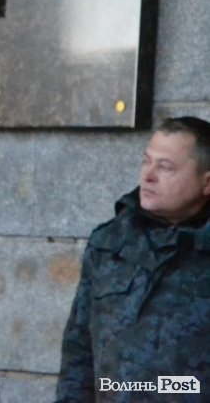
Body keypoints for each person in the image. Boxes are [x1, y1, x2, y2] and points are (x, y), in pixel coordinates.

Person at [56, 116, 210, 401]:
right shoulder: (110, 243)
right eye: (146, 161)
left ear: (207, 182)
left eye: (165, 167)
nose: (148, 176)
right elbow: (79, 351)